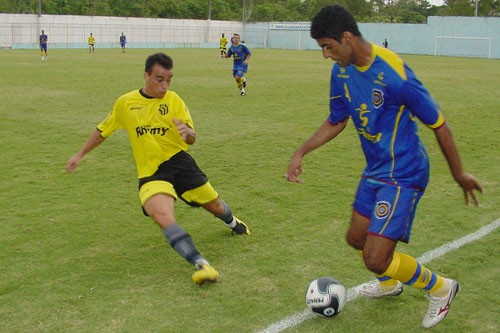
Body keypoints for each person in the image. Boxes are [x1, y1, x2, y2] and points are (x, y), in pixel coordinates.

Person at [285, 5, 482, 329]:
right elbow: (337, 120)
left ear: (346, 38)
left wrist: (459, 174)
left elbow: (440, 124)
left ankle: (442, 288)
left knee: (375, 258)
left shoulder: (395, 74)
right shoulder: (342, 72)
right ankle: (390, 285)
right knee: (355, 239)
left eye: (327, 46)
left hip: (405, 172)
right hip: (376, 169)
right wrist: (301, 152)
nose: (325, 55)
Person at [66, 53, 251, 285]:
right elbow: (103, 129)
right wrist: (80, 153)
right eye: (159, 79)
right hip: (152, 172)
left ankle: (232, 222)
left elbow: (191, 136)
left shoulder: (174, 101)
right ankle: (201, 264)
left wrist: (189, 134)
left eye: (169, 80)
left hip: (180, 163)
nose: (164, 86)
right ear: (146, 75)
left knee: (214, 204)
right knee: (162, 215)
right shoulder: (126, 103)